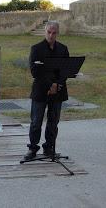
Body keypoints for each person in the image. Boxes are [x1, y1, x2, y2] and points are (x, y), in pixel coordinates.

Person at [24, 21, 69, 160]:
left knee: (53, 121)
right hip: (41, 90)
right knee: (36, 121)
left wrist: (57, 84)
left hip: (58, 90)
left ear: (57, 33)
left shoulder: (63, 49)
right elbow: (35, 72)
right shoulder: (36, 49)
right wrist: (51, 85)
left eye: (54, 33)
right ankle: (32, 149)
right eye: (49, 32)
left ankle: (49, 148)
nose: (51, 35)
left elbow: (66, 70)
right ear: (45, 32)